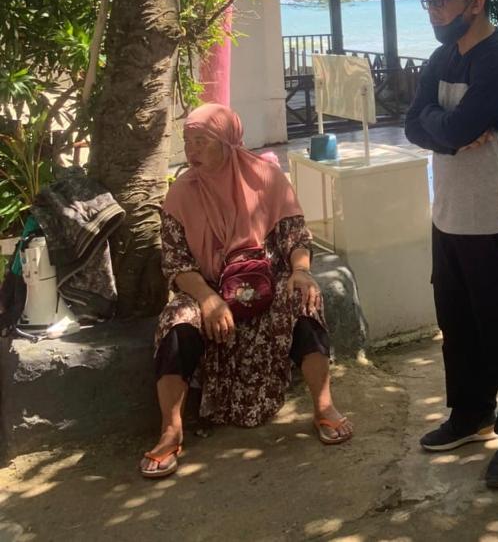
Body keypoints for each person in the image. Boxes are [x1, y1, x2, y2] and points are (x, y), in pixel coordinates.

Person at [140, 104, 351, 479]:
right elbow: (176, 263)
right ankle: (170, 431)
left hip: (265, 282)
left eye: (201, 141)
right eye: (188, 141)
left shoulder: (266, 178)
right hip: (208, 287)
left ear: (227, 141)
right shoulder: (182, 194)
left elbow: (295, 236)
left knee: (303, 299)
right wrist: (208, 299)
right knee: (176, 321)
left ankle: (323, 407)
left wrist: (301, 272)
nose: (192, 150)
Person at [403, 0, 498, 490]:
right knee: (457, 327)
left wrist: (446, 128)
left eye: (442, 1)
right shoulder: (442, 58)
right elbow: (414, 125)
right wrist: (447, 129)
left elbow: (454, 126)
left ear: (476, 3)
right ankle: (470, 413)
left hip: (496, 222)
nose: (434, 11)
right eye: (429, 2)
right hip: (448, 217)